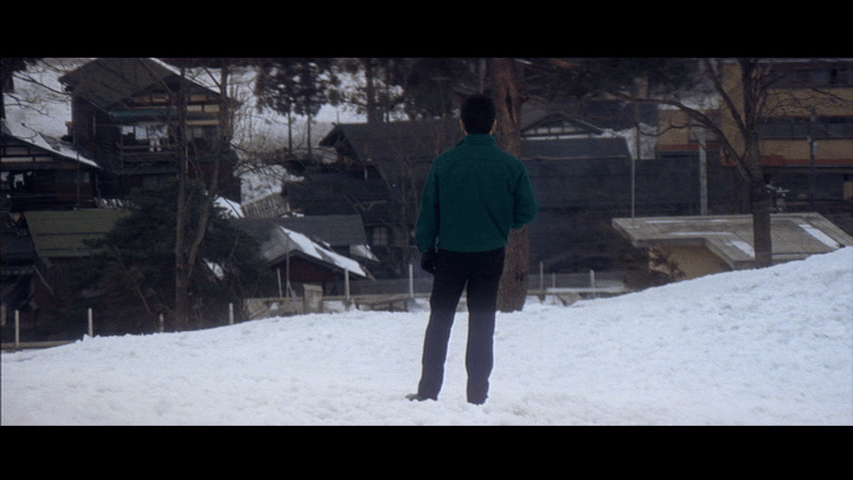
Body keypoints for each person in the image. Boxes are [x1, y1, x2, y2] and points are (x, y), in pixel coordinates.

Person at [408, 93, 539, 405]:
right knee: (482, 323)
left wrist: (427, 247)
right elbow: (528, 211)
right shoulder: (511, 165)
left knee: (440, 321)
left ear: (462, 124)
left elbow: (429, 213)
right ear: (494, 124)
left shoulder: (443, 163)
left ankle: (428, 393)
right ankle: (477, 396)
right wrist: (502, 223)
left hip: (449, 256)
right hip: (490, 254)